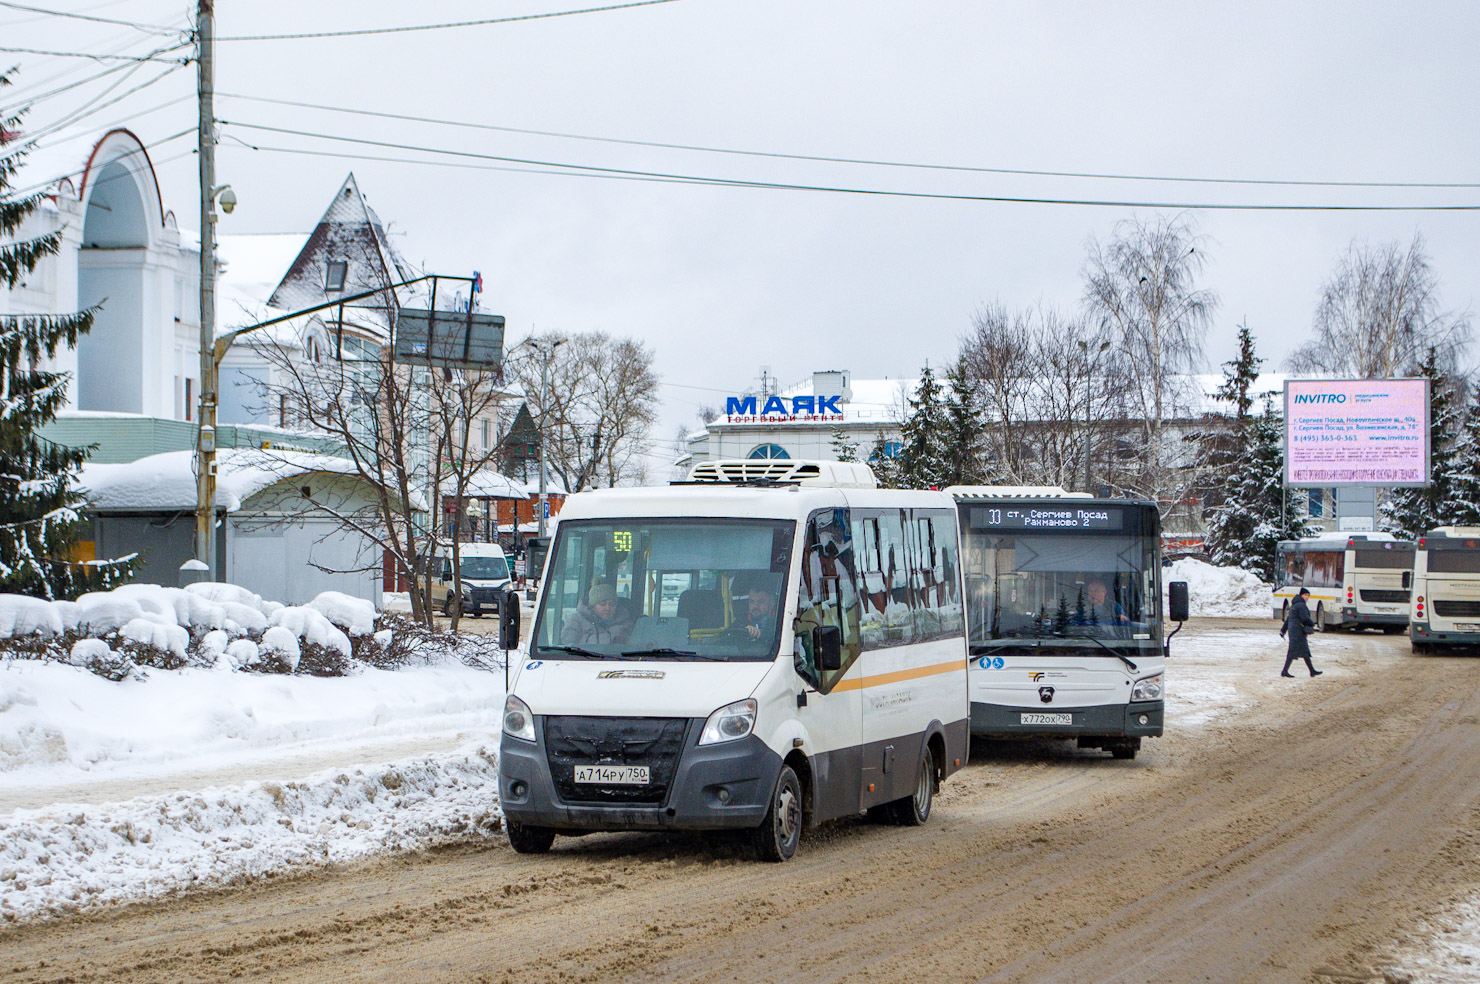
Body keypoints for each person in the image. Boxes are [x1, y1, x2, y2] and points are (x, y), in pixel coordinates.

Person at [561, 583, 633, 645]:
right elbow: (567, 646)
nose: (607, 608)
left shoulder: (625, 622)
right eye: (602, 604)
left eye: (612, 604)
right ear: (592, 606)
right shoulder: (576, 620)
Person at [1280, 587, 1323, 678]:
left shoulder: (1294, 605)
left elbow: (1288, 619)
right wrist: (1312, 623)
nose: (1307, 597)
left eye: (1308, 595)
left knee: (1304, 652)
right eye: (1305, 595)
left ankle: (1312, 671)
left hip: (1294, 631)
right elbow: (1304, 618)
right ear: (1301, 595)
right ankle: (1284, 671)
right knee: (1293, 651)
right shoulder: (1301, 605)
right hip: (1298, 632)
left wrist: (1283, 630)